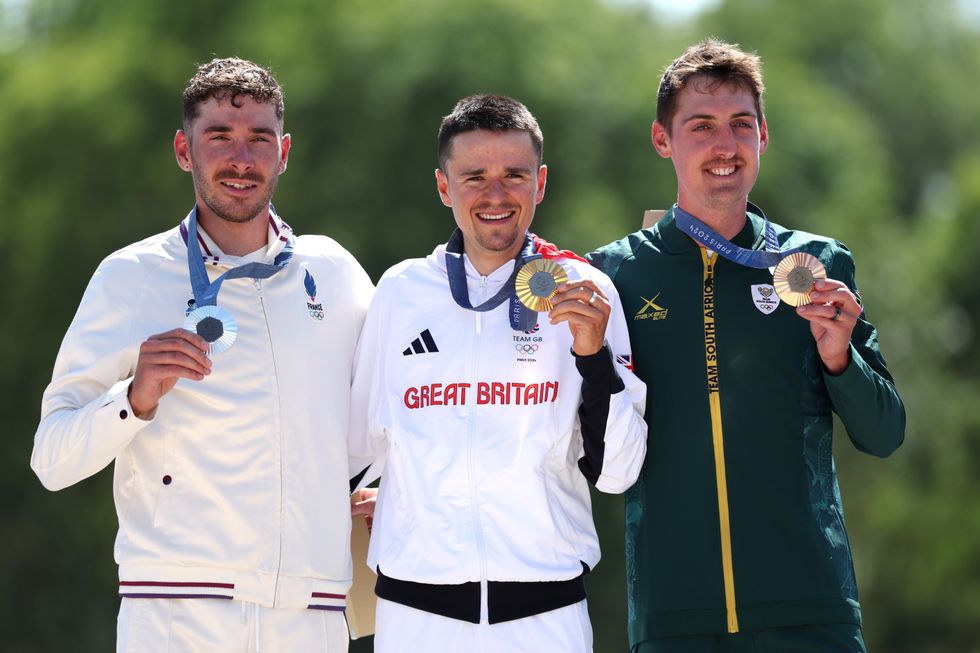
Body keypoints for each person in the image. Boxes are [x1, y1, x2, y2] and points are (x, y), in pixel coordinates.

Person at [30, 58, 373, 652]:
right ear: (184, 151)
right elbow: (51, 460)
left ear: (283, 150)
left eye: (259, 139)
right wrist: (132, 400)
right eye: (219, 137)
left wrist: (381, 482)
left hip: (312, 613)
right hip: (174, 614)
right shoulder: (130, 275)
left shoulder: (334, 272)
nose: (241, 159)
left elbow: (390, 411)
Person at [588, 40, 906, 653]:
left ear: (764, 135)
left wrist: (840, 356)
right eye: (700, 126)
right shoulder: (615, 277)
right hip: (674, 617)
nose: (723, 146)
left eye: (740, 125)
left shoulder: (817, 265)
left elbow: (885, 433)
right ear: (663, 140)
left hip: (810, 610)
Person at [347, 94, 648, 652]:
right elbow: (356, 451)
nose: (495, 194)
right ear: (443, 187)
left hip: (546, 614)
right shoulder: (400, 292)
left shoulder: (585, 290)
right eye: (474, 176)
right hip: (415, 615)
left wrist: (592, 356)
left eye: (515, 175)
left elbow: (618, 472)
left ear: (541, 183)